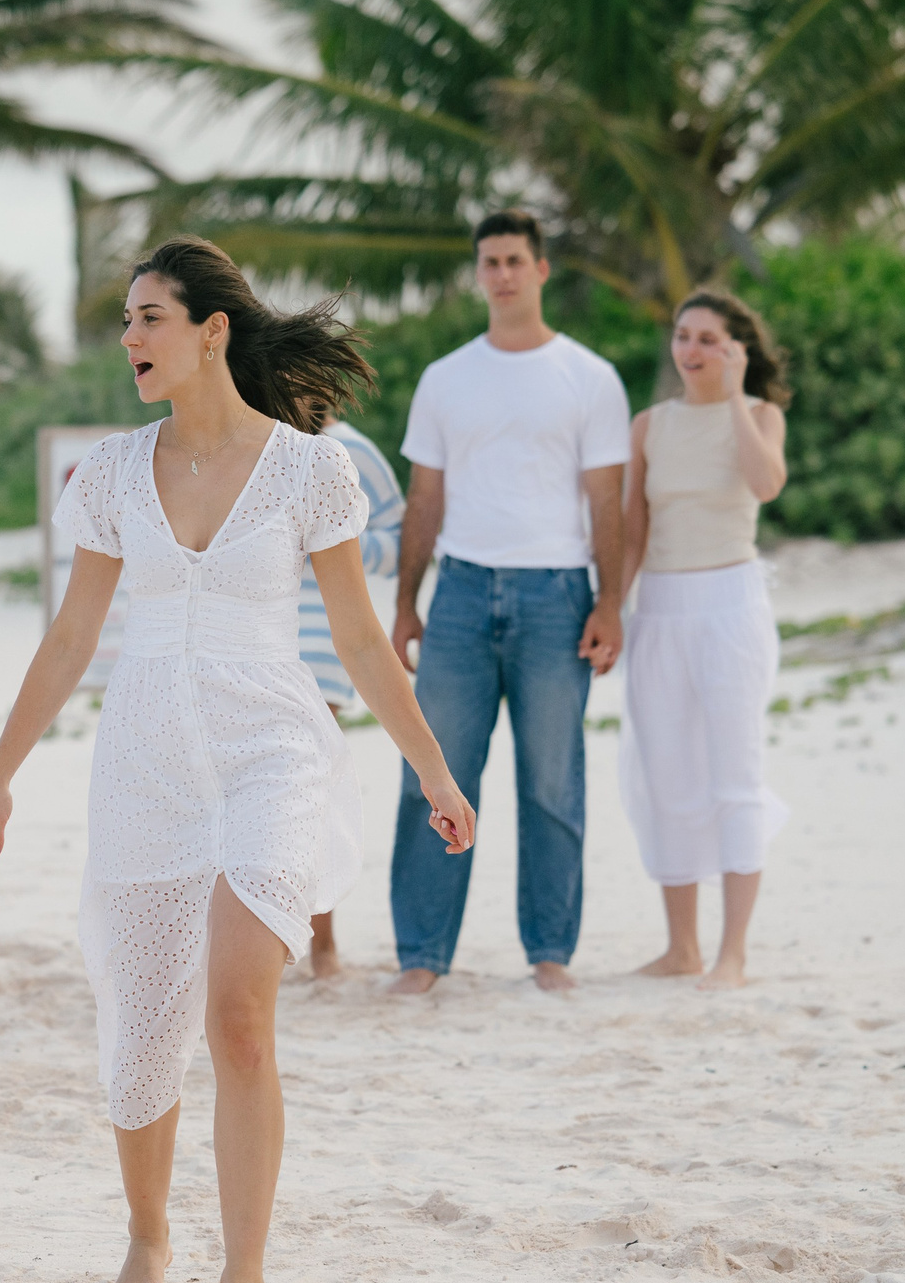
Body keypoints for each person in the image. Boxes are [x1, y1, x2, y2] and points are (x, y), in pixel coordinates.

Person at [0, 237, 475, 1283]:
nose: (130, 338)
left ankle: (245, 1279)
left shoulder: (307, 471)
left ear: (212, 331)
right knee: (143, 1023)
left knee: (237, 1010)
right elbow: (71, 637)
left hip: (269, 747)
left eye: (149, 317)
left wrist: (431, 769)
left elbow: (358, 638)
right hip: (144, 758)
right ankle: (149, 1233)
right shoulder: (109, 473)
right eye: (125, 320)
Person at [387, 210, 632, 996]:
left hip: (557, 594)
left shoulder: (589, 376)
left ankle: (550, 952)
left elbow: (608, 501)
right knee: (432, 775)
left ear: (541, 269)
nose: (501, 274)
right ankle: (422, 956)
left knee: (552, 782)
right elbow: (425, 497)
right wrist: (406, 603)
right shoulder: (445, 377)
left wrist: (610, 603)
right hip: (460, 591)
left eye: (514, 260)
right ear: (478, 272)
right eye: (489, 261)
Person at [620, 290, 792, 989]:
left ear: (735, 348)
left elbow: (767, 484)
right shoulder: (649, 425)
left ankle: (733, 955)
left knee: (734, 778)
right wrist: (610, 610)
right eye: (683, 336)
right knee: (668, 780)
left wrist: (738, 395)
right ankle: (682, 949)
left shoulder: (760, 415)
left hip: (731, 608)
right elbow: (634, 527)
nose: (690, 350)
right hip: (658, 610)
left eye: (708, 339)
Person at [298, 421, 405, 978]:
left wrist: (335, 541)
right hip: (245, 633)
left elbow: (400, 539)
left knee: (308, 795)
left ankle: (323, 948)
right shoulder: (239, 437)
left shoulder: (349, 450)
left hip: (322, 639)